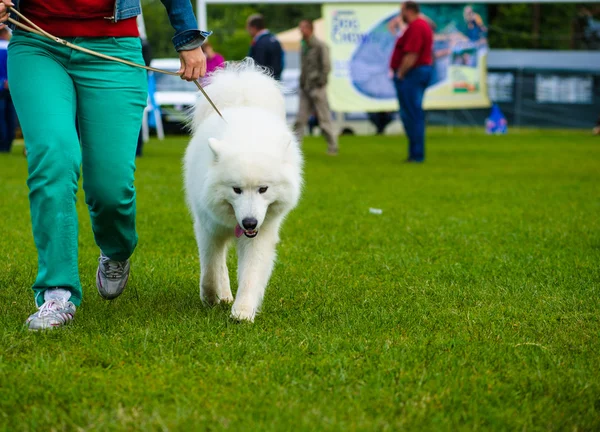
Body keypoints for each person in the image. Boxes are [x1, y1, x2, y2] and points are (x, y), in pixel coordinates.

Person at [3, 0, 209, 330]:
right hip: (36, 42)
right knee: (53, 156)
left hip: (114, 46)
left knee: (110, 186)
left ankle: (116, 248)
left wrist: (188, 36)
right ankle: (57, 292)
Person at [389, 1, 433, 163]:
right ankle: (415, 153)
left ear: (409, 10)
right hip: (416, 73)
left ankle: (416, 154)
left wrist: (401, 73)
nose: (401, 16)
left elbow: (412, 54)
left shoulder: (417, 26)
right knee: (413, 114)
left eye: (402, 11)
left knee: (412, 115)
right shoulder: (422, 25)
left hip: (412, 74)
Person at [294, 19, 338, 156]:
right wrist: (302, 82)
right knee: (300, 120)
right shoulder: (304, 46)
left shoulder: (320, 46)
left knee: (324, 120)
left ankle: (333, 146)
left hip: (317, 87)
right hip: (305, 88)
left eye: (303, 28)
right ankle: (294, 149)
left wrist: (320, 82)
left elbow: (326, 67)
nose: (300, 31)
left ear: (310, 29)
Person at [246, 14, 284, 81]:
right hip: (275, 81)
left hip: (264, 82)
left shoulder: (260, 43)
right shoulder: (274, 39)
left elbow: (258, 66)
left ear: (254, 27)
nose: (247, 30)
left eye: (248, 28)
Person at [0, 26, 15, 153]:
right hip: (13, 86)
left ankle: (3, 145)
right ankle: (9, 143)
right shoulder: (11, 47)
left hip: (1, 86)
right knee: (11, 116)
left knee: (1, 117)